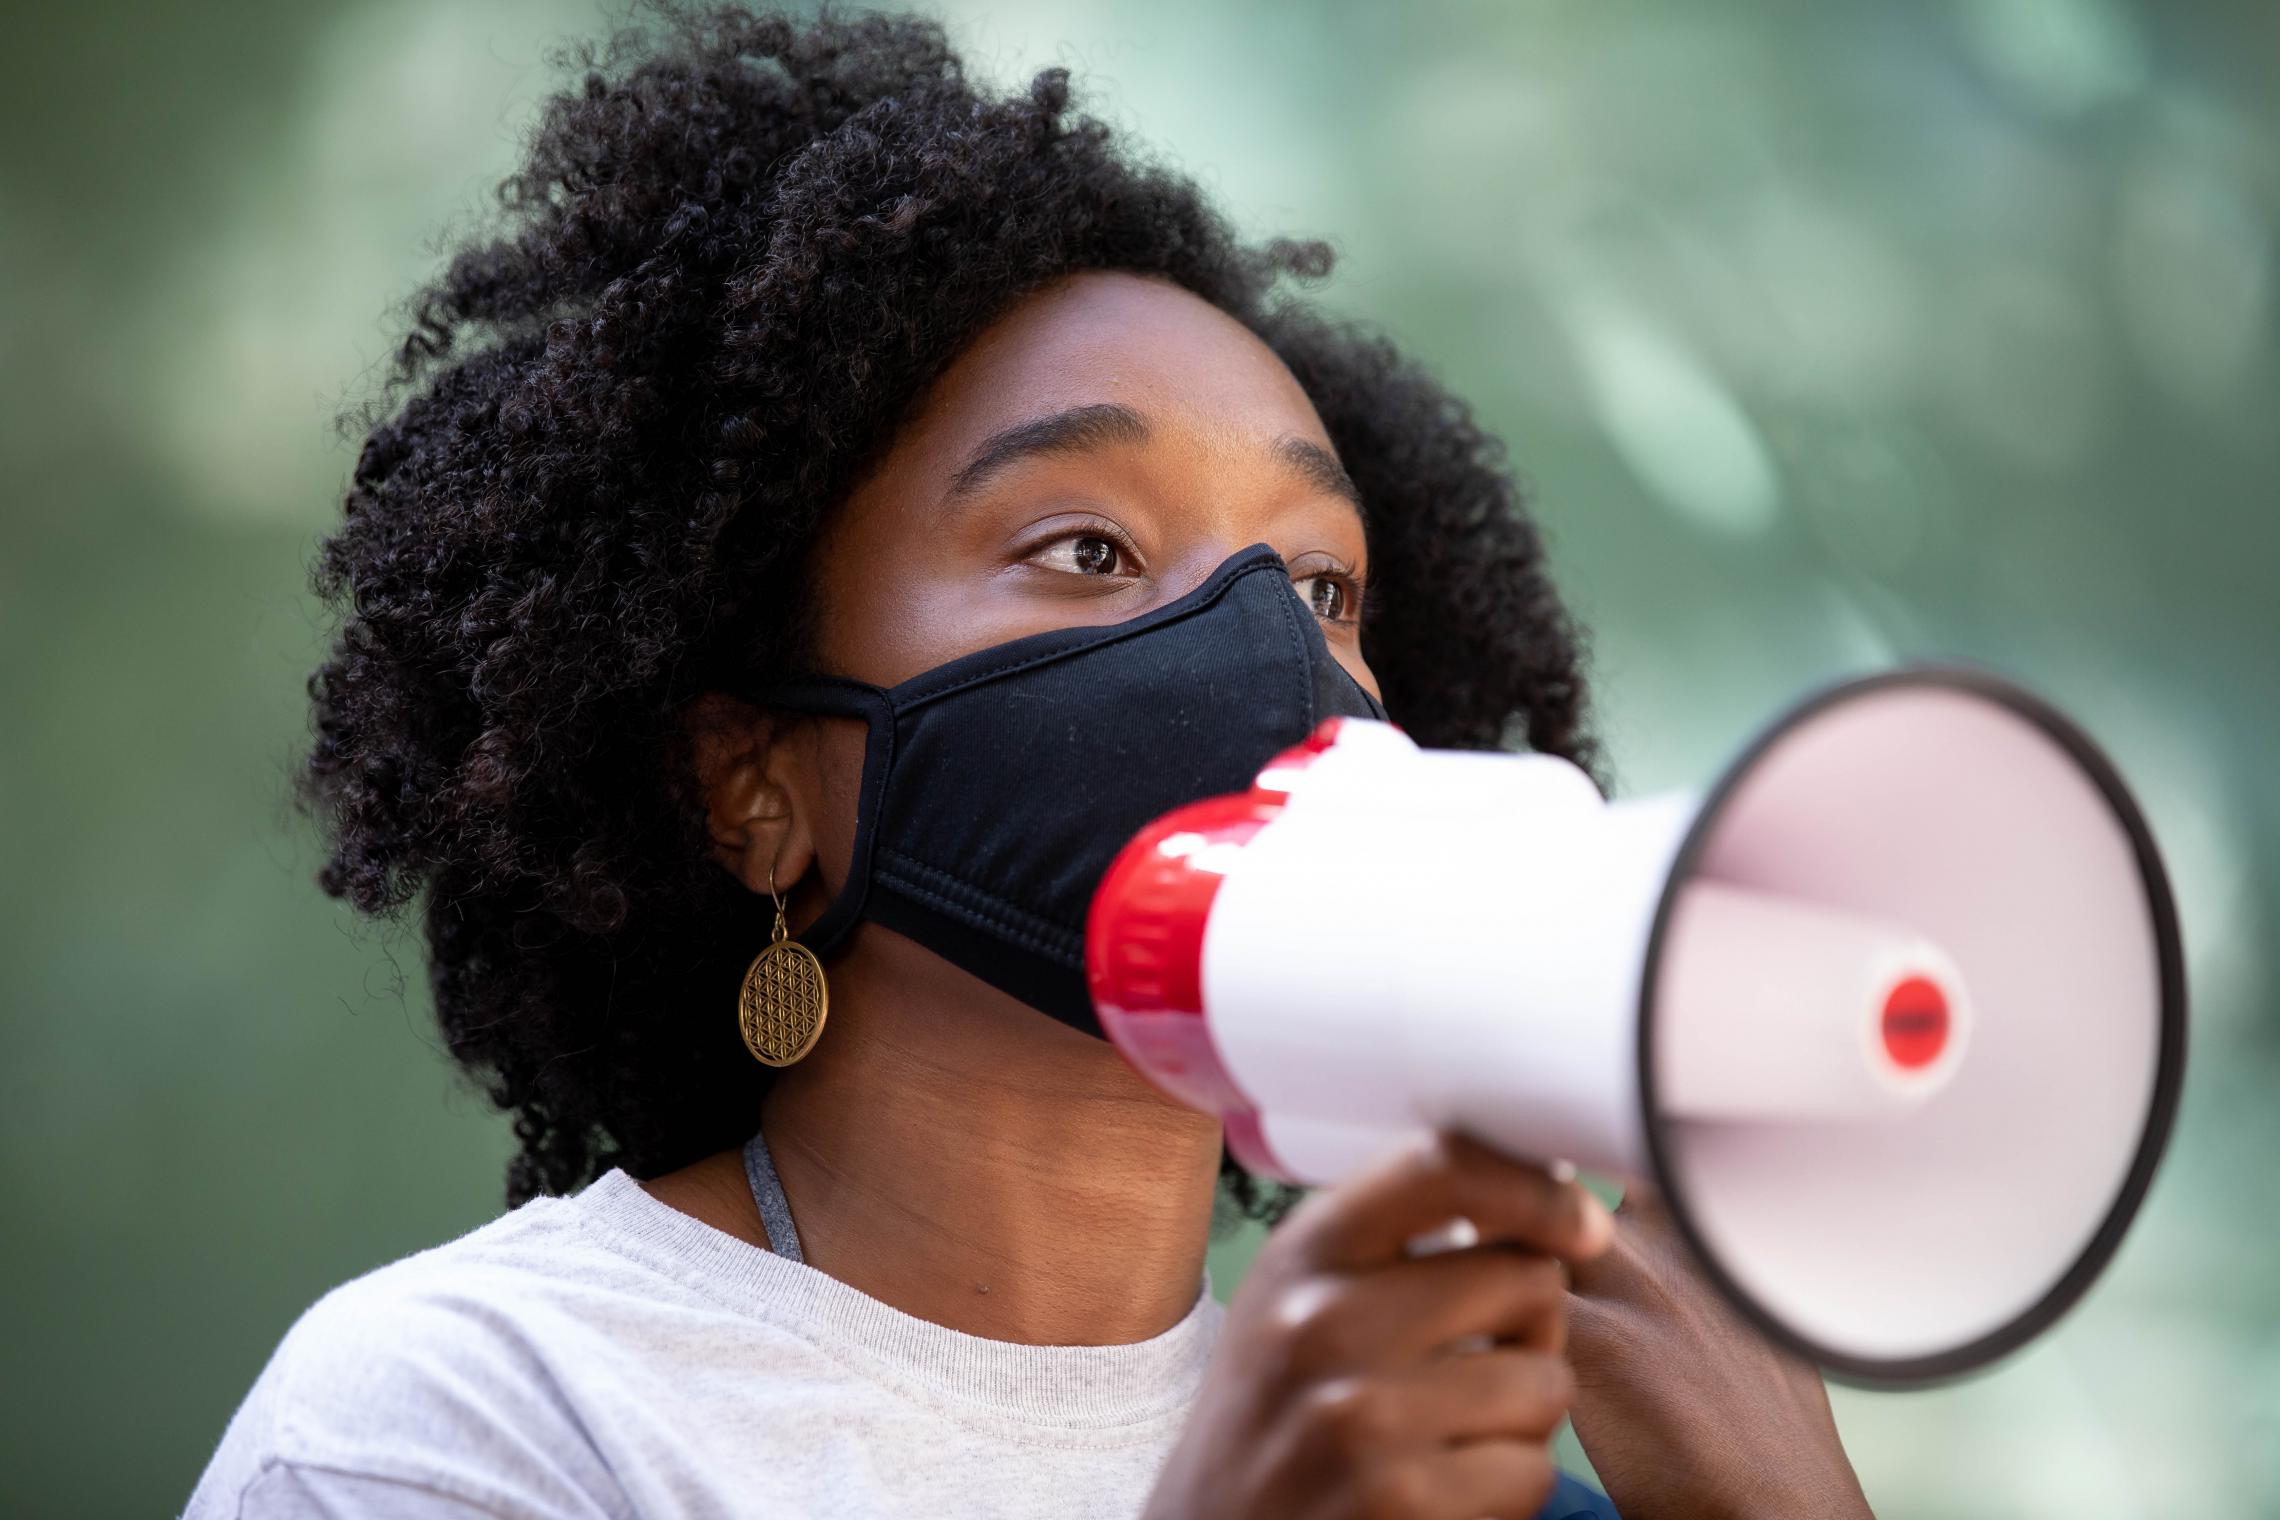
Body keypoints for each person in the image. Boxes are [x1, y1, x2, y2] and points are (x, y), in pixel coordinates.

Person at [186, 7, 1875, 1517]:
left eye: (1324, 586)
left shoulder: (1476, 1481)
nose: (1266, 656)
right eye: (1085, 548)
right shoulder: (457, 1422)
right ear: (751, 784)